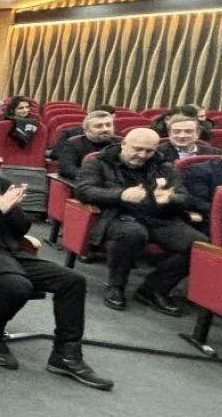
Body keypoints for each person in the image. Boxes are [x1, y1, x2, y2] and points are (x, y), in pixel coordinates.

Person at [0, 136, 113, 389]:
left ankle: (66, 354)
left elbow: (22, 228)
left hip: (11, 252)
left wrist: (13, 208)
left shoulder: (1, 183)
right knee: (18, 286)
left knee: (73, 281)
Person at [76, 128, 203, 315]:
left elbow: (185, 198)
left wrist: (170, 198)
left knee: (198, 245)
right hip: (119, 214)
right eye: (137, 149)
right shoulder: (99, 162)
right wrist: (120, 194)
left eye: (149, 151)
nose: (143, 155)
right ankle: (116, 285)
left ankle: (153, 288)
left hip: (158, 217)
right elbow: (84, 191)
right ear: (124, 144)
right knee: (133, 234)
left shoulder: (164, 166)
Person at [57, 111, 118, 180]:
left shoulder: (119, 143)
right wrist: (94, 178)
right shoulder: (73, 144)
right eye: (98, 126)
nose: (105, 129)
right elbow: (67, 169)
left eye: (108, 125)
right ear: (86, 130)